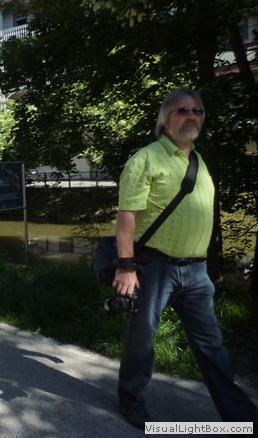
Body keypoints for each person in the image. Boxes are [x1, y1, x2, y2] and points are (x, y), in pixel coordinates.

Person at [114, 87, 258, 430]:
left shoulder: (199, 160)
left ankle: (242, 418)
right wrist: (126, 266)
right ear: (165, 121)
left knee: (212, 346)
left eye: (197, 111)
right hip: (154, 267)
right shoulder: (146, 159)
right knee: (142, 341)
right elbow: (126, 217)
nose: (191, 116)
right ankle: (130, 399)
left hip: (196, 272)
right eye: (182, 111)